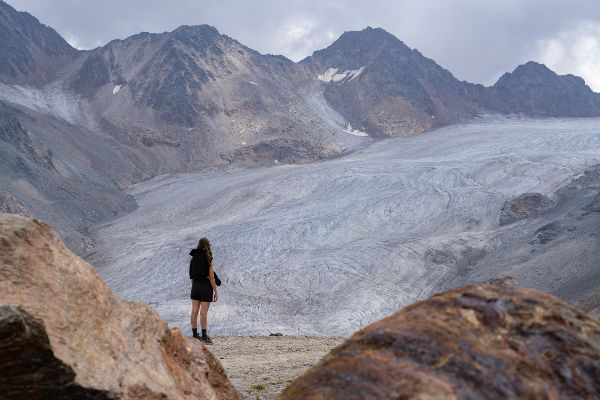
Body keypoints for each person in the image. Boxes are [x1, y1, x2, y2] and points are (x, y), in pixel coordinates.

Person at [189, 237, 219, 344]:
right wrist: (215, 290)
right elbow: (211, 277)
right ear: (208, 246)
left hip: (195, 285)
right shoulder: (209, 258)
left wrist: (194, 286)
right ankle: (205, 336)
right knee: (203, 312)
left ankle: (195, 335)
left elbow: (192, 275)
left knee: (194, 311)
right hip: (206, 286)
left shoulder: (193, 258)